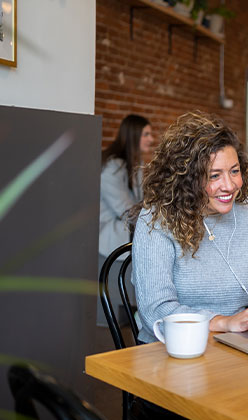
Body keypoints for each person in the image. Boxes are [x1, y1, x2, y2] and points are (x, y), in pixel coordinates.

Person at [132, 111, 248, 344]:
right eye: (214, 175)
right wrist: (224, 322)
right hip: (173, 347)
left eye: (235, 171)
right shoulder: (157, 220)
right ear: (187, 179)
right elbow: (156, 310)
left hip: (238, 343)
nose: (230, 185)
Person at [98, 114, 155, 325]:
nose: (151, 139)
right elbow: (126, 210)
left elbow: (143, 203)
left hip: (129, 230)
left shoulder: (135, 164)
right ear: (134, 135)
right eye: (146, 134)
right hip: (112, 235)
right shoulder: (113, 166)